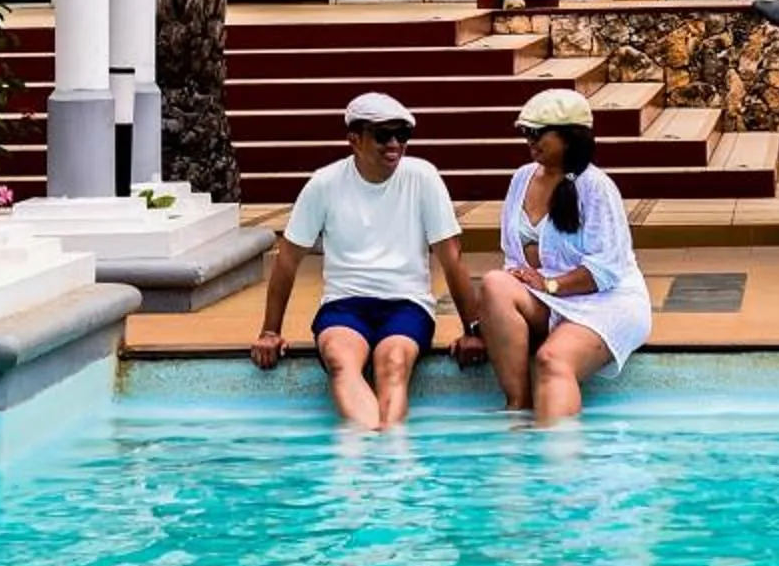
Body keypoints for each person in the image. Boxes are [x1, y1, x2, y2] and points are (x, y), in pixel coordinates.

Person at [250, 93, 486, 427]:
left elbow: (452, 259)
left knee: (393, 363)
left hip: (407, 303)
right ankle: (369, 442)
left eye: (402, 135)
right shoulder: (324, 184)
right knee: (340, 360)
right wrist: (270, 331)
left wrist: (472, 329)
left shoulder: (423, 177)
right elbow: (287, 261)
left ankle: (389, 447)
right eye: (383, 135)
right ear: (355, 141)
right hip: (344, 304)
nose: (394, 144)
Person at [475, 88, 653, 423]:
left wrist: (550, 283)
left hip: (607, 300)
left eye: (538, 132)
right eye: (526, 132)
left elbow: (606, 270)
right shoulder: (521, 179)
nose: (530, 139)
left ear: (570, 136)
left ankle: (559, 468)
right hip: (547, 297)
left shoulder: (596, 186)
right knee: (494, 283)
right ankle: (517, 409)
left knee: (552, 359)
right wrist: (477, 329)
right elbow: (513, 261)